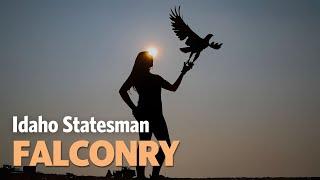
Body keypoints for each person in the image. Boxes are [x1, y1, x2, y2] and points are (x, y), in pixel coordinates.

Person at [119, 51, 192, 179]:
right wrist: (134, 108)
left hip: (149, 115)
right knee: (159, 145)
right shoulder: (150, 78)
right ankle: (151, 175)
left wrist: (134, 108)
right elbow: (122, 91)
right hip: (153, 116)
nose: (152, 59)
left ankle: (145, 175)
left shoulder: (141, 78)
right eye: (150, 58)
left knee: (146, 145)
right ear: (146, 62)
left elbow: (173, 88)